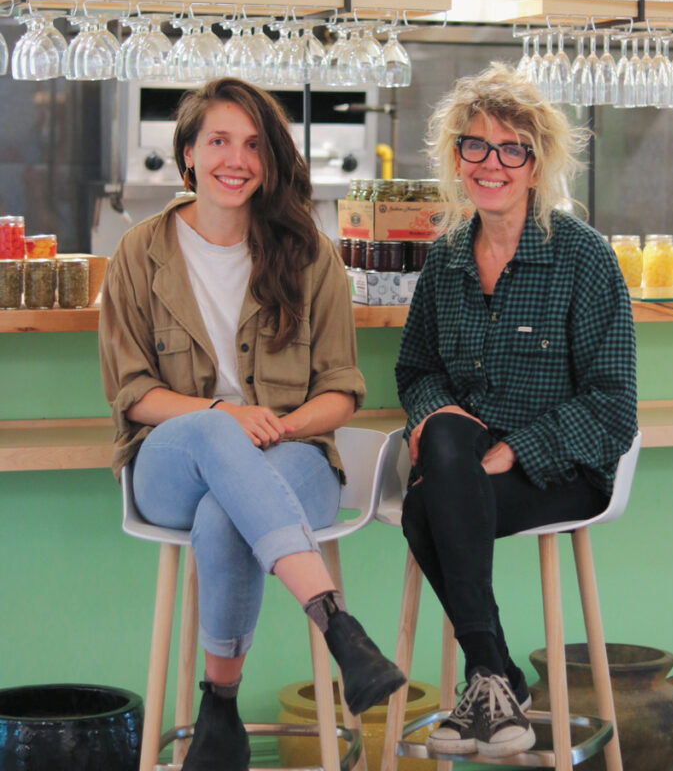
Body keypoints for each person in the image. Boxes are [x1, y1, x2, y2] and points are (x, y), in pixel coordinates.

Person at [99, 78, 405, 771]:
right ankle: (337, 626)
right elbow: (132, 391)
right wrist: (228, 418)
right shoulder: (138, 254)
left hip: (292, 457)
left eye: (252, 145)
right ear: (187, 155)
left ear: (269, 163)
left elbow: (341, 390)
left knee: (224, 511)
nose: (234, 159)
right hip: (170, 459)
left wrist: (284, 426)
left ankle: (220, 710)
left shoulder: (307, 254)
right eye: (217, 141)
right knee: (215, 433)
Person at [395, 63, 637, 760]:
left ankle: (487, 680)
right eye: (474, 146)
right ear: (455, 158)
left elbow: (611, 404)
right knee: (439, 432)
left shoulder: (583, 259)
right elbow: (416, 370)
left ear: (536, 164)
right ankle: (497, 683)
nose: (490, 163)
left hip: (564, 467)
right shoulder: (443, 260)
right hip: (462, 464)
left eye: (511, 149)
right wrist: (439, 418)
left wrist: (515, 451)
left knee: (422, 511)